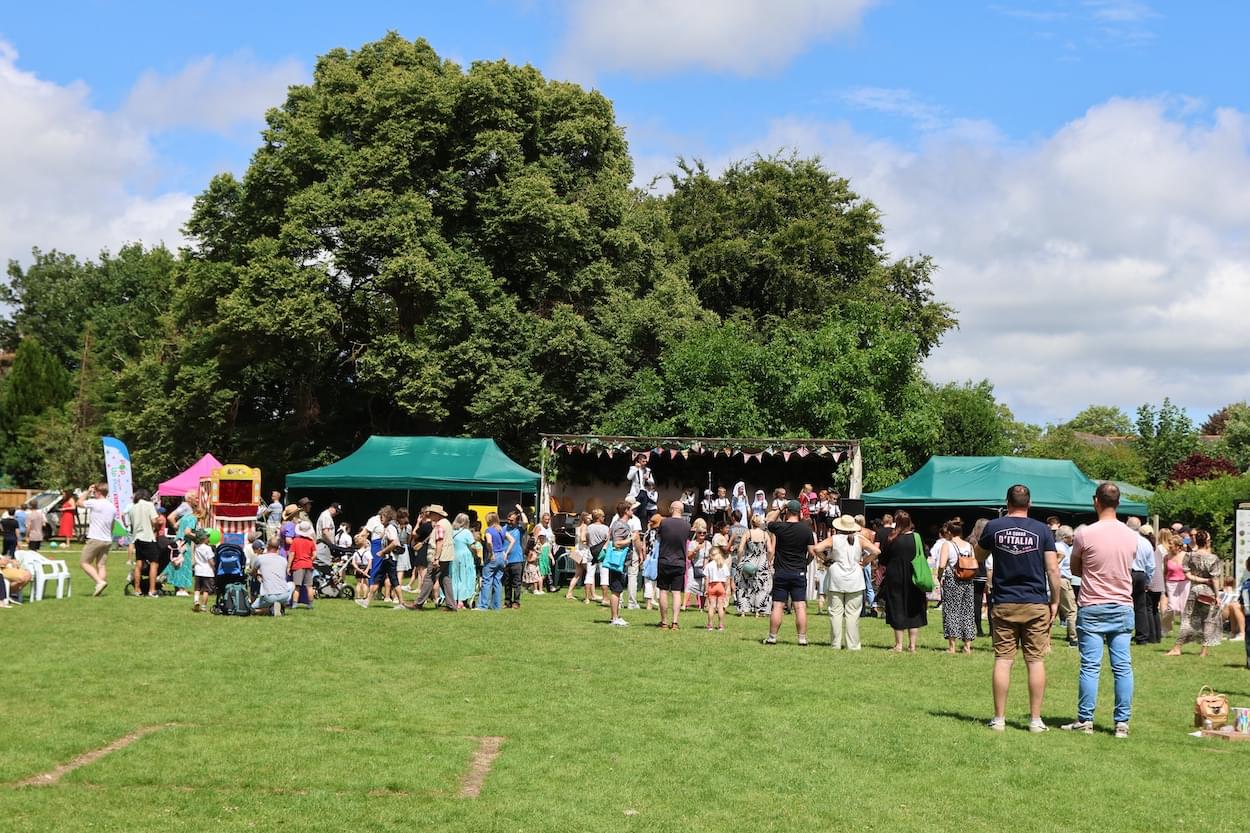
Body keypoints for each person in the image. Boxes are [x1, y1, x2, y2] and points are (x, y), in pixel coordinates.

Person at [1054, 483, 1138, 738]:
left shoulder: (1085, 534)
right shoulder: (1131, 535)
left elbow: (1076, 568)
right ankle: (1121, 723)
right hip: (1122, 603)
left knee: (1090, 666)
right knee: (1122, 666)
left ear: (1095, 502)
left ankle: (1085, 720)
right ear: (1119, 502)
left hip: (1092, 604)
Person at [975, 484, 1060, 733]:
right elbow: (1053, 569)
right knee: (1035, 661)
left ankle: (999, 719)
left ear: (1007, 502)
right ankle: (1035, 720)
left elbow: (979, 556)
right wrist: (1055, 600)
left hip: (1004, 602)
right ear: (1030, 504)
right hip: (1035, 602)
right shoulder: (1042, 530)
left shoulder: (994, 527)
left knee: (1003, 660)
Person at [816, 514, 880, 649]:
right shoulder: (860, 539)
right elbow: (876, 551)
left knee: (835, 613)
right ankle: (853, 645)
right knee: (853, 614)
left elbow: (816, 548)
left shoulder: (834, 539)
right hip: (855, 578)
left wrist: (826, 559)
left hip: (836, 578)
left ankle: (835, 644)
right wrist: (864, 562)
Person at [763, 499, 816, 646]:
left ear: (787, 512)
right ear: (799, 512)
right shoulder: (806, 530)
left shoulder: (780, 527)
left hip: (781, 571)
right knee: (800, 606)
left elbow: (768, 521)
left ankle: (772, 637)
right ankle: (802, 638)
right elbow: (812, 552)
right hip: (798, 572)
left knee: (778, 605)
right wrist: (806, 563)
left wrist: (780, 508)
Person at [1166, 529, 1223, 658]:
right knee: (1208, 621)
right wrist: (1217, 595)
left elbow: (1186, 574)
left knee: (1187, 619)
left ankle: (1177, 647)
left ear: (1196, 540)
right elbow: (1215, 579)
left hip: (1194, 591)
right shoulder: (1213, 558)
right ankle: (1203, 651)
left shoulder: (1189, 556)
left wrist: (1200, 580)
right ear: (1207, 542)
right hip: (1208, 593)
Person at [877, 510, 927, 652]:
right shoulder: (917, 537)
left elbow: (883, 559)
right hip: (914, 577)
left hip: (895, 577)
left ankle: (898, 645)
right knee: (914, 608)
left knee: (896, 607)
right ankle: (912, 645)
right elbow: (923, 554)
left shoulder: (892, 538)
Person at [937, 520, 977, 654]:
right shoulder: (969, 545)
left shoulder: (947, 545)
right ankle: (967, 646)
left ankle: (952, 647)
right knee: (967, 611)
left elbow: (942, 564)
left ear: (948, 532)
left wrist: (939, 576)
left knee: (952, 611)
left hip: (953, 580)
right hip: (968, 580)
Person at [354, 506, 401, 609]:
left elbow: (394, 542)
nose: (381, 519)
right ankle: (367, 601)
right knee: (378, 576)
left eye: (383, 517)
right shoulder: (384, 526)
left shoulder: (390, 527)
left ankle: (401, 603)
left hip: (389, 557)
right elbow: (367, 531)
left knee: (393, 579)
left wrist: (383, 551)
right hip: (385, 556)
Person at [411, 505, 455, 610]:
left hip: (440, 556)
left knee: (429, 578)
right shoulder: (447, 523)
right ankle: (451, 605)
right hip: (447, 555)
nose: (429, 515)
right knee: (445, 579)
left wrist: (436, 558)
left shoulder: (440, 525)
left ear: (437, 514)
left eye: (431, 513)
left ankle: (418, 603)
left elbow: (439, 542)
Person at [657, 501, 691, 629]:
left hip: (664, 560)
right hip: (680, 561)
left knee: (663, 591)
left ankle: (664, 621)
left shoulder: (664, 522)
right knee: (677, 593)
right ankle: (675, 622)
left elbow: (659, 538)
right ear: (681, 511)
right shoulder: (687, 525)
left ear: (671, 509)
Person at [78, 482, 116, 596]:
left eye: (95, 492)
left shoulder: (94, 503)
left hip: (95, 538)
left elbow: (79, 503)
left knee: (84, 562)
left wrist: (87, 492)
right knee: (101, 565)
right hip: (107, 539)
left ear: (98, 492)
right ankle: (99, 587)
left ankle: (99, 582)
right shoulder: (112, 506)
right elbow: (113, 524)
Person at [734, 514, 773, 617]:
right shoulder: (765, 534)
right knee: (761, 587)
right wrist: (768, 561)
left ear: (751, 522)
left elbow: (740, 549)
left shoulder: (748, 533)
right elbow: (770, 550)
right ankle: (758, 611)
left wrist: (739, 561)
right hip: (762, 562)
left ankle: (744, 610)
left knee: (744, 585)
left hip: (749, 562)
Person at [1126, 517, 1156, 644]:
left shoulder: (1123, 540)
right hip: (1141, 574)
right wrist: (1148, 580)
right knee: (1140, 606)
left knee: (1121, 603)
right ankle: (1142, 637)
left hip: (1126, 573)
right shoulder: (1146, 543)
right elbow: (1151, 565)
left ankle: (1121, 632)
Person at [606, 501, 636, 626]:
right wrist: (631, 539)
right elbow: (617, 543)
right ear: (626, 511)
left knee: (618, 589)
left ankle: (617, 616)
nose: (632, 512)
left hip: (620, 561)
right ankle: (614, 618)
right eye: (631, 509)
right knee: (616, 589)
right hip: (617, 561)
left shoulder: (620, 524)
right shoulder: (620, 525)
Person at [126, 489, 161, 597]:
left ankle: (137, 589)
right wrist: (157, 528)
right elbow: (155, 520)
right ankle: (152, 589)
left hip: (137, 538)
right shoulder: (149, 505)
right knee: (154, 563)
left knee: (139, 564)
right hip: (148, 537)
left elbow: (131, 525)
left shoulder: (132, 508)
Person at [477, 512, 511, 611]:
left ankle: (483, 606)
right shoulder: (501, 530)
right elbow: (512, 540)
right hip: (501, 556)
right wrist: (506, 552)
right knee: (498, 581)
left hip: (493, 556)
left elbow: (489, 542)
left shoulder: (488, 530)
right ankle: (497, 606)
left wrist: (491, 553)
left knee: (487, 581)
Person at [250, 538, 290, 616]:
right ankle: (281, 607)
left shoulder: (260, 558)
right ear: (278, 548)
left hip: (269, 595)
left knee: (252, 609)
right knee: (292, 585)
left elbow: (253, 572)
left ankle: (270, 610)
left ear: (267, 546)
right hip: (284, 595)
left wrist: (256, 574)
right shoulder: (283, 560)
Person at [451, 513, 480, 608]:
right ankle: (461, 601)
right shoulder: (467, 532)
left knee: (454, 579)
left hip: (454, 556)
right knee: (464, 578)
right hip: (465, 557)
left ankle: (454, 599)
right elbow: (472, 545)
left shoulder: (452, 531)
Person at [1161, 530, 1188, 634]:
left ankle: (1184, 631)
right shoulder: (1166, 557)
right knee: (1172, 607)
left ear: (1178, 546)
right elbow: (1165, 572)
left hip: (1184, 583)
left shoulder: (1186, 556)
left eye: (1171, 544)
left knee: (1183, 608)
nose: (1169, 546)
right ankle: (1165, 627)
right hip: (1171, 583)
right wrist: (1164, 585)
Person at [1055, 525, 1078, 647]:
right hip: (1062, 580)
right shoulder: (1061, 549)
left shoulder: (1061, 547)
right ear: (1065, 537)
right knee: (1072, 610)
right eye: (1072, 535)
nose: (1073, 538)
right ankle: (1073, 638)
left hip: (1059, 580)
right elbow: (1056, 566)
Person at [502, 505, 529, 609]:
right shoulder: (504, 528)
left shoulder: (519, 529)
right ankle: (507, 602)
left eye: (512, 520)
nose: (509, 522)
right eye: (508, 519)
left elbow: (526, 522)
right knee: (507, 583)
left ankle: (516, 602)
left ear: (517, 521)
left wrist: (521, 511)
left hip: (517, 559)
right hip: (506, 559)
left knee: (516, 583)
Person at [288, 520, 317, 609]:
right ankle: (310, 604)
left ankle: (295, 604)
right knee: (309, 586)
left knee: (297, 586)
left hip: (298, 565)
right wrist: (309, 560)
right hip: (308, 565)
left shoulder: (295, 541)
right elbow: (315, 555)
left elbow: (292, 554)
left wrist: (289, 566)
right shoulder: (311, 542)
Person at [705, 546, 730, 631]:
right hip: (721, 586)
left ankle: (710, 625)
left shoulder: (709, 565)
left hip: (712, 586)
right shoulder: (724, 564)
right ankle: (721, 625)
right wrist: (726, 589)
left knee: (711, 606)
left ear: (711, 555)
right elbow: (727, 579)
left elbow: (707, 579)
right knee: (720, 607)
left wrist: (706, 589)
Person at [190, 529, 216, 612]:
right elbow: (210, 561)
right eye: (207, 537)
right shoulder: (208, 548)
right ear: (204, 538)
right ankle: (204, 606)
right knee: (206, 590)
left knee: (197, 589)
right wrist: (214, 567)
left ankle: (196, 601)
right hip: (207, 572)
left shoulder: (196, 547)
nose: (209, 538)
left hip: (198, 571)